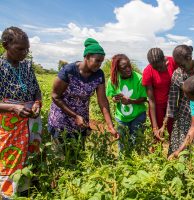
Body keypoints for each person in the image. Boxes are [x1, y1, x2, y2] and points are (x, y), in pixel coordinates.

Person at [48, 38, 119, 153]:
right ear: (87, 57)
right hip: (61, 118)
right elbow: (55, 96)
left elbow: (102, 101)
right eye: (97, 61)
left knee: (77, 154)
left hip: (81, 120)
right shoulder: (68, 71)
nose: (99, 65)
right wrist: (75, 116)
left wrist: (110, 125)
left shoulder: (98, 74)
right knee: (60, 156)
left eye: (101, 62)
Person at [0, 27, 42, 199]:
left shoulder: (27, 66)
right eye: (20, 49)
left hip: (31, 120)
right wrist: (13, 108)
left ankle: (25, 191)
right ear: (5, 45)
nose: (24, 53)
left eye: (27, 49)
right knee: (9, 159)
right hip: (9, 123)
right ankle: (8, 195)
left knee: (30, 155)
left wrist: (38, 103)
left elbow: (37, 91)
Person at [161, 45, 194, 156]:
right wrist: (165, 123)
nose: (180, 67)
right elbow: (172, 101)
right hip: (184, 114)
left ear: (189, 58)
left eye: (182, 64)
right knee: (179, 146)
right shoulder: (177, 74)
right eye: (178, 64)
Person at [106, 54, 147, 151]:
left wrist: (131, 101)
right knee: (122, 143)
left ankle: (135, 165)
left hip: (138, 115)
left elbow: (144, 98)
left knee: (136, 143)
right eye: (124, 68)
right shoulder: (113, 80)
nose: (128, 69)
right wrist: (115, 99)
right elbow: (112, 97)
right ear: (118, 70)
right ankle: (123, 163)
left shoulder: (139, 78)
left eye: (129, 66)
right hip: (121, 117)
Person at [142, 48, 177, 142]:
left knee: (174, 132)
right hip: (157, 105)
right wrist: (155, 127)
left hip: (172, 103)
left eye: (160, 66)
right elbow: (151, 100)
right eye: (155, 68)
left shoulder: (173, 62)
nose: (159, 69)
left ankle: (173, 154)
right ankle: (156, 154)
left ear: (164, 59)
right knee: (157, 135)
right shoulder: (148, 71)